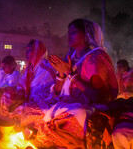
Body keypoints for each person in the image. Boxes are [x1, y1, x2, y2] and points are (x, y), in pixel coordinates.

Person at [36, 19, 118, 148]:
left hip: (90, 110)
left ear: (87, 35)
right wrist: (61, 74)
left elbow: (99, 98)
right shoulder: (71, 57)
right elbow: (57, 93)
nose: (69, 35)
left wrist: (70, 73)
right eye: (68, 32)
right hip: (68, 105)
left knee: (63, 119)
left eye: (73, 32)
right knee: (35, 109)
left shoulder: (94, 58)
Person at [5, 40, 56, 129]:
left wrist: (28, 100)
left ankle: (26, 126)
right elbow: (21, 85)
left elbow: (50, 95)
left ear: (38, 51)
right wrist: (20, 95)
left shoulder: (48, 68)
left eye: (29, 50)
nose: (26, 52)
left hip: (43, 104)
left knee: (27, 110)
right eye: (26, 50)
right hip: (28, 99)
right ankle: (16, 120)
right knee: (6, 96)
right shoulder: (29, 69)